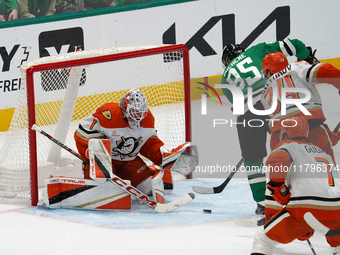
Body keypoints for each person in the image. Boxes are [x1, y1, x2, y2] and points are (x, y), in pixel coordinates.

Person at [220, 38, 312, 216]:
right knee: (292, 146)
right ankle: (305, 193)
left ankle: (262, 204)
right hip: (273, 99)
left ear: (226, 62)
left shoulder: (225, 78)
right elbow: (294, 44)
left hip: (248, 113)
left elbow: (237, 105)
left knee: (253, 160)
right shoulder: (257, 50)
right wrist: (306, 58)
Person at [260, 51, 340, 224]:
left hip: (280, 137)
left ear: (267, 72)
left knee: (284, 178)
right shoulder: (297, 66)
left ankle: (278, 216)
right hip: (312, 128)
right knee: (328, 173)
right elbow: (326, 71)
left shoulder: (264, 91)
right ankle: (333, 211)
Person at [74, 88, 191, 203]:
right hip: (105, 162)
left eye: (141, 111)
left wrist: (164, 157)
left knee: (149, 188)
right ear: (125, 108)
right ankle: (101, 181)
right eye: (135, 111)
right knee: (102, 195)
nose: (138, 115)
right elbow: (82, 133)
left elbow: (149, 144)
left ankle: (152, 170)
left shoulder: (148, 119)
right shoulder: (108, 114)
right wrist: (91, 150)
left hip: (128, 161)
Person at [250, 117, 340, 255]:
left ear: (285, 134)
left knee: (263, 239)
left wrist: (276, 186)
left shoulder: (287, 147)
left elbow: (278, 161)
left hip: (305, 213)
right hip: (337, 213)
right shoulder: (324, 153)